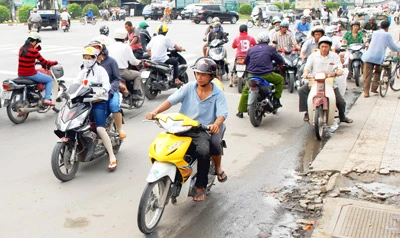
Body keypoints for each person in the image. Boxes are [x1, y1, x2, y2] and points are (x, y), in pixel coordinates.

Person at [145, 57, 228, 202]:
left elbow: (222, 114)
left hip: (201, 129)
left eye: (203, 74)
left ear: (211, 76)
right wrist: (155, 112)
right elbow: (171, 100)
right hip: (182, 126)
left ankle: (200, 186)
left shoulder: (218, 94)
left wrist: (215, 124)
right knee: (166, 147)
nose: (199, 77)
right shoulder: (189, 87)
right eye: (197, 73)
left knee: (203, 151)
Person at [73, 46, 117, 171]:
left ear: (95, 58)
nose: (87, 60)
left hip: (98, 102)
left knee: (100, 129)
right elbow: (75, 84)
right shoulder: (83, 72)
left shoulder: (101, 71)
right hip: (84, 103)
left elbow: (107, 84)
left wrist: (102, 90)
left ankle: (112, 157)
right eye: (85, 58)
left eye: (89, 58)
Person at [299, 36, 353, 123]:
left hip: (329, 82)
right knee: (302, 90)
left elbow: (338, 66)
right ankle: (307, 112)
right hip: (314, 81)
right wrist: (306, 73)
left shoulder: (334, 56)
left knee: (340, 101)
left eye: (326, 47)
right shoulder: (313, 56)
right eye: (322, 47)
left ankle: (342, 117)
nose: (324, 49)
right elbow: (307, 66)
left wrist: (339, 71)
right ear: (319, 47)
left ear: (329, 47)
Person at [236, 32, 285, 118]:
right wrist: (282, 63)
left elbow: (246, 61)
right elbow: (279, 60)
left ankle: (240, 111)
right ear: (268, 40)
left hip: (252, 75)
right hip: (266, 74)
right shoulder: (271, 49)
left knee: (245, 91)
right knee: (280, 79)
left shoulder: (251, 49)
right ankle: (276, 99)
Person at [89, 40, 127, 140]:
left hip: (110, 91)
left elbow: (117, 78)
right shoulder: (88, 63)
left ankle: (119, 129)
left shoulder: (111, 61)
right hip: (93, 92)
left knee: (113, 105)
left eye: (96, 48)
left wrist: (110, 89)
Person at [361, 21, 400, 98]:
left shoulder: (375, 33)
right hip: (378, 57)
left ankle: (366, 92)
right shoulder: (387, 35)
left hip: (368, 56)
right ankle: (374, 88)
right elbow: (392, 46)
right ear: (388, 27)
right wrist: (399, 49)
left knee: (367, 75)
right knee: (377, 72)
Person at [18, 32, 57, 107]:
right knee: (49, 79)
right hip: (30, 74)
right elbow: (44, 62)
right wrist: (54, 62)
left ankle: (22, 104)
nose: (37, 44)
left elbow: (28, 56)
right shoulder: (33, 51)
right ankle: (47, 99)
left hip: (20, 74)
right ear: (34, 41)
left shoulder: (22, 48)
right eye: (37, 42)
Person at [108, 28, 142, 98]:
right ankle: (136, 93)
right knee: (138, 75)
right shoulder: (126, 47)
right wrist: (138, 62)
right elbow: (133, 61)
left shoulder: (109, 47)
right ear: (125, 38)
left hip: (110, 72)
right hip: (122, 72)